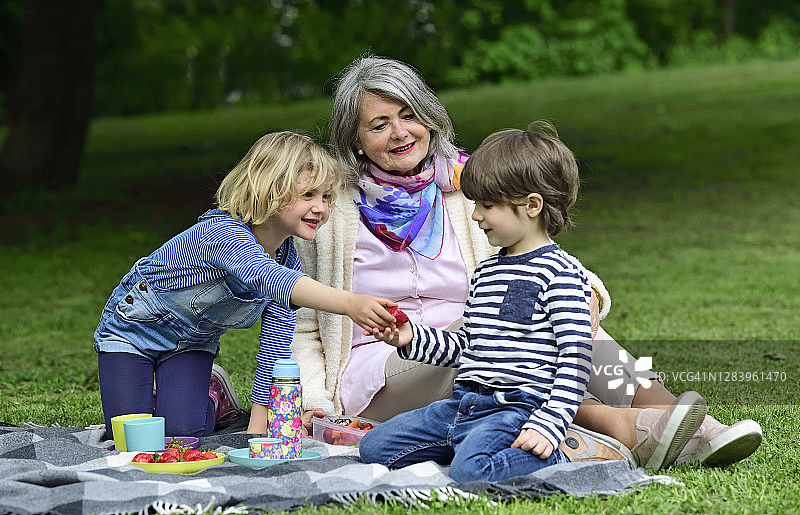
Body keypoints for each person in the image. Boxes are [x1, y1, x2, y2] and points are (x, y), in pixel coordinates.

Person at [291, 55, 762, 469]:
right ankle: (624, 425)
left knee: (573, 325)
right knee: (490, 351)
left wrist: (585, 295)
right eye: (378, 124)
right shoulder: (330, 211)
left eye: (409, 115)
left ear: (430, 119)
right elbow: (306, 322)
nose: (399, 133)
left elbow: (535, 249)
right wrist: (310, 400)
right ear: (354, 140)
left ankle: (691, 424)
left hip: (485, 332)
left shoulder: (468, 186)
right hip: (388, 366)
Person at [357, 122, 707, 481]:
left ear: (532, 206)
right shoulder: (487, 273)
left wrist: (549, 425)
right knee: (374, 448)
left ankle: (572, 454)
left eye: (487, 205)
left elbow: (574, 362)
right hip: (463, 405)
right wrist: (410, 338)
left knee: (471, 472)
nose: (476, 215)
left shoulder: (560, 274)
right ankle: (475, 443)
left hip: (515, 411)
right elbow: (469, 348)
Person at [93, 131, 396, 440]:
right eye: (308, 196)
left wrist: (257, 425)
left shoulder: (288, 261)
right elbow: (267, 276)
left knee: (183, 436)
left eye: (326, 197)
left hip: (193, 343)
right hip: (132, 332)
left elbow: (275, 348)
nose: (321, 208)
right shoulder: (223, 234)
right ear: (269, 191)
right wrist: (349, 303)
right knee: (129, 438)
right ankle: (156, 401)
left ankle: (212, 398)